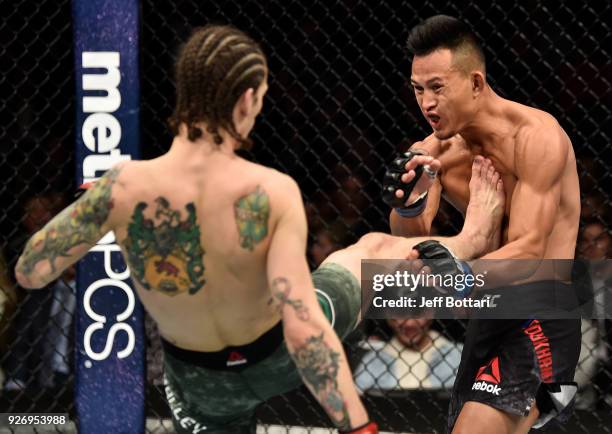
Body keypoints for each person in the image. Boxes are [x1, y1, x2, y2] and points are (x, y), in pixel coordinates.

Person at [12, 23, 509, 433]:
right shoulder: (268, 191)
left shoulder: (123, 186)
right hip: (275, 357)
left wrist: (101, 213)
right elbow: (303, 325)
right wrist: (358, 426)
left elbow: (31, 271)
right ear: (247, 99)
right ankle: (468, 241)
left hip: (196, 381)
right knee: (364, 254)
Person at [383, 15, 582, 434]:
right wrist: (408, 205)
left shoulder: (534, 137)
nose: (426, 103)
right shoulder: (432, 152)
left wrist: (458, 266)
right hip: (486, 315)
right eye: (418, 89)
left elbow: (529, 250)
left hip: (541, 312)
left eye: (438, 87)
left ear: (475, 82)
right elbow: (412, 245)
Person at [354, 317, 463, 392]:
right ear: (388, 317)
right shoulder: (373, 361)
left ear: (431, 313)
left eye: (417, 312)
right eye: (400, 313)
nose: (409, 323)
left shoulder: (460, 356)